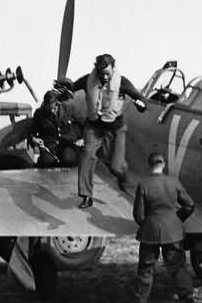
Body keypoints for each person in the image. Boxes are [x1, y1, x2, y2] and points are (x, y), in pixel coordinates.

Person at [57, 53, 148, 208]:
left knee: (116, 167)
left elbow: (140, 99)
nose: (105, 77)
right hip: (94, 126)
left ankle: (123, 175)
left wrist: (141, 105)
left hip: (115, 128)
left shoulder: (123, 82)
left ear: (113, 68)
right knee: (87, 154)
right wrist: (63, 87)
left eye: (107, 73)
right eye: (101, 74)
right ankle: (86, 195)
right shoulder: (88, 80)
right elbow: (72, 88)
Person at [132, 152, 195, 303]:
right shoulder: (173, 182)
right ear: (163, 165)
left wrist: (146, 223)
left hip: (150, 231)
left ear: (149, 165)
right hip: (173, 231)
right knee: (177, 266)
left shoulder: (144, 185)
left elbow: (138, 215)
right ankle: (187, 297)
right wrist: (176, 219)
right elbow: (189, 205)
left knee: (146, 268)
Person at [28, 90, 81, 168]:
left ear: (56, 104)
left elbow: (77, 125)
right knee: (47, 162)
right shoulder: (40, 114)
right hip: (49, 146)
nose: (52, 112)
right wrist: (34, 139)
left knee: (68, 159)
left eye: (53, 109)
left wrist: (80, 138)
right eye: (48, 109)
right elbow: (32, 131)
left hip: (65, 144)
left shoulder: (67, 109)